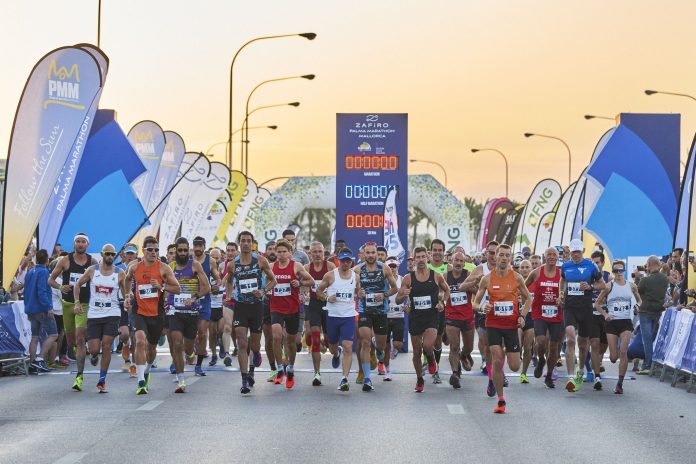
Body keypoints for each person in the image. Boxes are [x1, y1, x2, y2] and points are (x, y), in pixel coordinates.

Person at [473, 244, 531, 414]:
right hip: (493, 325)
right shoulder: (487, 279)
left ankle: (506, 352)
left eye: (508, 255)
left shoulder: (517, 277)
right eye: (502, 255)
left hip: (511, 325)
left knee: (514, 366)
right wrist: (482, 307)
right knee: (497, 360)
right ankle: (501, 399)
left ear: (510, 258)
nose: (504, 258)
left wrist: (522, 315)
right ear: (495, 257)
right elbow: (475, 303)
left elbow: (528, 300)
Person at [124, 236, 181, 395]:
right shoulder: (134, 267)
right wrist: (128, 296)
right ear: (143, 250)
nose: (154, 253)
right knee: (140, 341)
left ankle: (147, 370)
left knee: (151, 349)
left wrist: (162, 286)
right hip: (138, 310)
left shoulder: (164, 268)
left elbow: (177, 289)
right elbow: (127, 280)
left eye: (156, 250)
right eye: (150, 250)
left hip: (157, 313)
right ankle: (141, 381)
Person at [226, 231, 276, 394]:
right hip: (241, 306)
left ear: (253, 243)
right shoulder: (232, 264)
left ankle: (254, 359)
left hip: (256, 307)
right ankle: (244, 379)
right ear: (239, 243)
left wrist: (263, 291)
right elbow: (229, 281)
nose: (246, 243)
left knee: (254, 344)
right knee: (241, 341)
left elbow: (273, 280)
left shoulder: (260, 261)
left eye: (249, 241)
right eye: (243, 241)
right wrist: (228, 295)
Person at [396, 246, 450, 393]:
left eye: (423, 257)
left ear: (428, 258)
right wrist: (403, 296)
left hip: (431, 317)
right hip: (415, 318)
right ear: (414, 260)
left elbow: (447, 290)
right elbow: (397, 300)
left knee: (427, 345)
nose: (420, 260)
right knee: (416, 352)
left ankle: (431, 358)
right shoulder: (408, 278)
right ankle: (420, 378)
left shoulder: (436, 276)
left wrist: (442, 303)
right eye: (417, 257)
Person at [73, 244, 125, 392]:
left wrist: (128, 298)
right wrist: (77, 302)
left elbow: (125, 291)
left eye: (112, 254)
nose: (109, 257)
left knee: (107, 346)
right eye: (107, 254)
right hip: (94, 314)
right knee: (94, 349)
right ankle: (94, 355)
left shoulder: (119, 273)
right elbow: (77, 284)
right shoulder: (92, 270)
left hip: (112, 313)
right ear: (102, 255)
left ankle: (102, 380)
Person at [48, 233, 97, 391]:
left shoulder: (93, 262)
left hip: (84, 304)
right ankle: (80, 350)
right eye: (78, 241)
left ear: (87, 245)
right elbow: (51, 280)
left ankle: (79, 376)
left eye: (83, 242)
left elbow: (99, 281)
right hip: (67, 304)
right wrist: (61, 287)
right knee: (71, 342)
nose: (80, 244)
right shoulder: (65, 260)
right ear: (74, 243)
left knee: (80, 338)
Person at [559, 239, 606, 392]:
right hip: (570, 307)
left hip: (585, 309)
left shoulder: (590, 265)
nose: (576, 254)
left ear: (582, 252)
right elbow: (562, 280)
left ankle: (580, 370)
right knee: (571, 338)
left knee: (583, 343)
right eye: (573, 252)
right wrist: (561, 292)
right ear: (570, 252)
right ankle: (571, 377)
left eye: (578, 252)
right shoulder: (566, 266)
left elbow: (602, 285)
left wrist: (590, 286)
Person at [167, 237, 210, 392]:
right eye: (180, 250)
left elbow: (207, 287)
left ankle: (191, 354)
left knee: (188, 347)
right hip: (175, 311)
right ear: (176, 251)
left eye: (186, 250)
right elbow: (165, 287)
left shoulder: (195, 265)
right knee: (176, 342)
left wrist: (195, 298)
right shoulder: (170, 266)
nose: (183, 253)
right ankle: (181, 380)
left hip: (191, 311)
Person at [269, 239, 313, 388]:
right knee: (276, 336)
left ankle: (291, 369)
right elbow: (265, 282)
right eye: (279, 252)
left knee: (290, 342)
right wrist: (265, 290)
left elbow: (311, 281)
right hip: (276, 308)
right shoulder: (271, 266)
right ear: (275, 252)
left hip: (293, 309)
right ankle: (280, 368)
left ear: (290, 253)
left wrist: (299, 283)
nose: (281, 254)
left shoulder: (296, 266)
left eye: (284, 252)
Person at [355, 242, 398, 391]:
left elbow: (395, 288)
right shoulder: (358, 269)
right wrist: (358, 293)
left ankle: (380, 352)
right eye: (368, 253)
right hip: (364, 310)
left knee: (380, 346)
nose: (371, 255)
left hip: (381, 312)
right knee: (365, 342)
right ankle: (367, 378)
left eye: (373, 253)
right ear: (363, 254)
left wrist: (384, 295)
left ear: (376, 254)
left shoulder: (384, 268)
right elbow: (349, 287)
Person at [595, 261, 642, 393]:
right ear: (613, 272)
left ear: (624, 270)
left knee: (623, 351)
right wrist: (605, 315)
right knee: (613, 357)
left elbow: (639, 300)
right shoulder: (609, 286)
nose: (618, 273)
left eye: (620, 270)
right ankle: (610, 359)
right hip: (612, 323)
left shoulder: (632, 286)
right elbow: (597, 304)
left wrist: (637, 306)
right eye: (615, 271)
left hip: (626, 321)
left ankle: (619, 384)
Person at [316, 248, 360, 391]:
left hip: (348, 316)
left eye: (348, 261)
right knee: (332, 346)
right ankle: (335, 353)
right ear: (338, 260)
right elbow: (318, 292)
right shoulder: (330, 276)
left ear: (351, 261)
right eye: (343, 260)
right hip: (333, 316)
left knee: (348, 347)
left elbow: (357, 291)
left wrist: (360, 294)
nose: (345, 263)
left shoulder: (355, 276)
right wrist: (328, 298)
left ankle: (344, 378)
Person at [461, 240, 499, 396]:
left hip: (501, 313)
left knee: (498, 347)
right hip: (483, 312)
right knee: (487, 343)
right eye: (490, 253)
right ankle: (492, 378)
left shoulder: (506, 270)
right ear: (486, 254)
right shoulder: (480, 269)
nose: (493, 256)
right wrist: (476, 281)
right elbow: (463, 286)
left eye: (496, 253)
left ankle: (497, 374)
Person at [526, 247, 563, 388]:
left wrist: (562, 298)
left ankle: (548, 375)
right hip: (539, 312)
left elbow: (566, 290)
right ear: (544, 257)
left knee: (553, 347)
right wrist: (523, 298)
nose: (552, 257)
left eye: (555, 255)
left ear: (558, 257)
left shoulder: (561, 274)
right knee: (541, 341)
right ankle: (541, 359)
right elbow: (524, 286)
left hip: (556, 313)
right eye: (549, 255)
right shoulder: (536, 272)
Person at [305, 242, 335, 386]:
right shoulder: (306, 268)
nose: (317, 254)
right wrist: (302, 294)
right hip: (314, 305)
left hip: (329, 304)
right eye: (314, 252)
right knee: (315, 337)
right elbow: (302, 284)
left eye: (320, 252)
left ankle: (336, 350)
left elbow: (338, 282)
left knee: (330, 341)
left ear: (324, 253)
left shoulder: (329, 267)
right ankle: (317, 373)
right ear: (310, 253)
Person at [191, 236, 221, 376]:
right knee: (188, 334)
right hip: (188, 300)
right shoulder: (188, 260)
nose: (198, 248)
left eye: (200, 246)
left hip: (204, 300)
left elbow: (217, 278)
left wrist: (216, 285)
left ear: (204, 246)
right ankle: (186, 354)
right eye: (195, 246)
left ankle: (198, 365)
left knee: (203, 332)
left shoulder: (211, 261)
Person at [24, 249, 58, 373]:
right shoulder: (44, 272)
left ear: (36, 259)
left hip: (31, 309)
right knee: (53, 334)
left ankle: (33, 364)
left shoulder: (30, 271)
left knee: (35, 337)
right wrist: (48, 306)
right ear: (47, 260)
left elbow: (26, 291)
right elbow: (42, 291)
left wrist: (27, 308)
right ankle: (39, 359)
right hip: (42, 309)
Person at [444, 251, 474, 389]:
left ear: (464, 263)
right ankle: (455, 373)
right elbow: (440, 293)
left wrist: (467, 286)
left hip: (467, 316)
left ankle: (464, 355)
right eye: (456, 260)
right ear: (452, 261)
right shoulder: (446, 276)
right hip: (451, 316)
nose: (459, 263)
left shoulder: (468, 275)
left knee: (469, 347)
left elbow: (478, 290)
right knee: (454, 346)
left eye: (461, 261)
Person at [636, 255, 670, 374]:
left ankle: (647, 365)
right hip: (658, 311)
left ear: (649, 265)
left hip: (645, 311)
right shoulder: (665, 279)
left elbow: (637, 292)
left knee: (647, 339)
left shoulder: (645, 280)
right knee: (652, 338)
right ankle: (651, 363)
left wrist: (637, 278)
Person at [427, 239, 450, 384]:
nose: (437, 253)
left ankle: (435, 369)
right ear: (430, 252)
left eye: (440, 250)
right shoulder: (424, 267)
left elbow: (449, 289)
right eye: (434, 250)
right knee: (425, 340)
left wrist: (443, 300)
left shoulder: (450, 269)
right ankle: (428, 361)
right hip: (425, 310)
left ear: (444, 253)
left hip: (441, 310)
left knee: (438, 340)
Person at [119, 243, 138, 377]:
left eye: (132, 253)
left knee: (135, 336)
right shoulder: (118, 268)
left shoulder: (139, 267)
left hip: (135, 304)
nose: (130, 256)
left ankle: (134, 366)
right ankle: (125, 346)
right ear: (123, 255)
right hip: (120, 304)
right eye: (128, 254)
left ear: (136, 255)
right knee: (125, 335)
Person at [384, 257, 405, 381]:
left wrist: (408, 304)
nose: (392, 269)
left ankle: (395, 347)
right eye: (390, 266)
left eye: (394, 266)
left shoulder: (403, 280)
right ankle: (387, 371)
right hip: (385, 316)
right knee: (385, 347)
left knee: (398, 344)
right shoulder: (383, 280)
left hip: (398, 316)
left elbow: (409, 294)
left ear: (398, 267)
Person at [517, 259, 535, 383]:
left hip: (531, 317)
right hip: (517, 317)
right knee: (518, 346)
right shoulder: (515, 281)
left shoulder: (535, 282)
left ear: (531, 269)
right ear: (519, 269)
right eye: (522, 267)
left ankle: (523, 374)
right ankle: (516, 359)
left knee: (528, 347)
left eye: (527, 267)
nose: (524, 269)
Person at [208, 248, 224, 366]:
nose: (215, 260)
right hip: (210, 306)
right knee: (212, 332)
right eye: (212, 258)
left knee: (222, 330)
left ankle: (223, 343)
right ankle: (214, 354)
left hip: (222, 306)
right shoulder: (205, 272)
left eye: (217, 258)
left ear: (220, 258)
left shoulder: (225, 271)